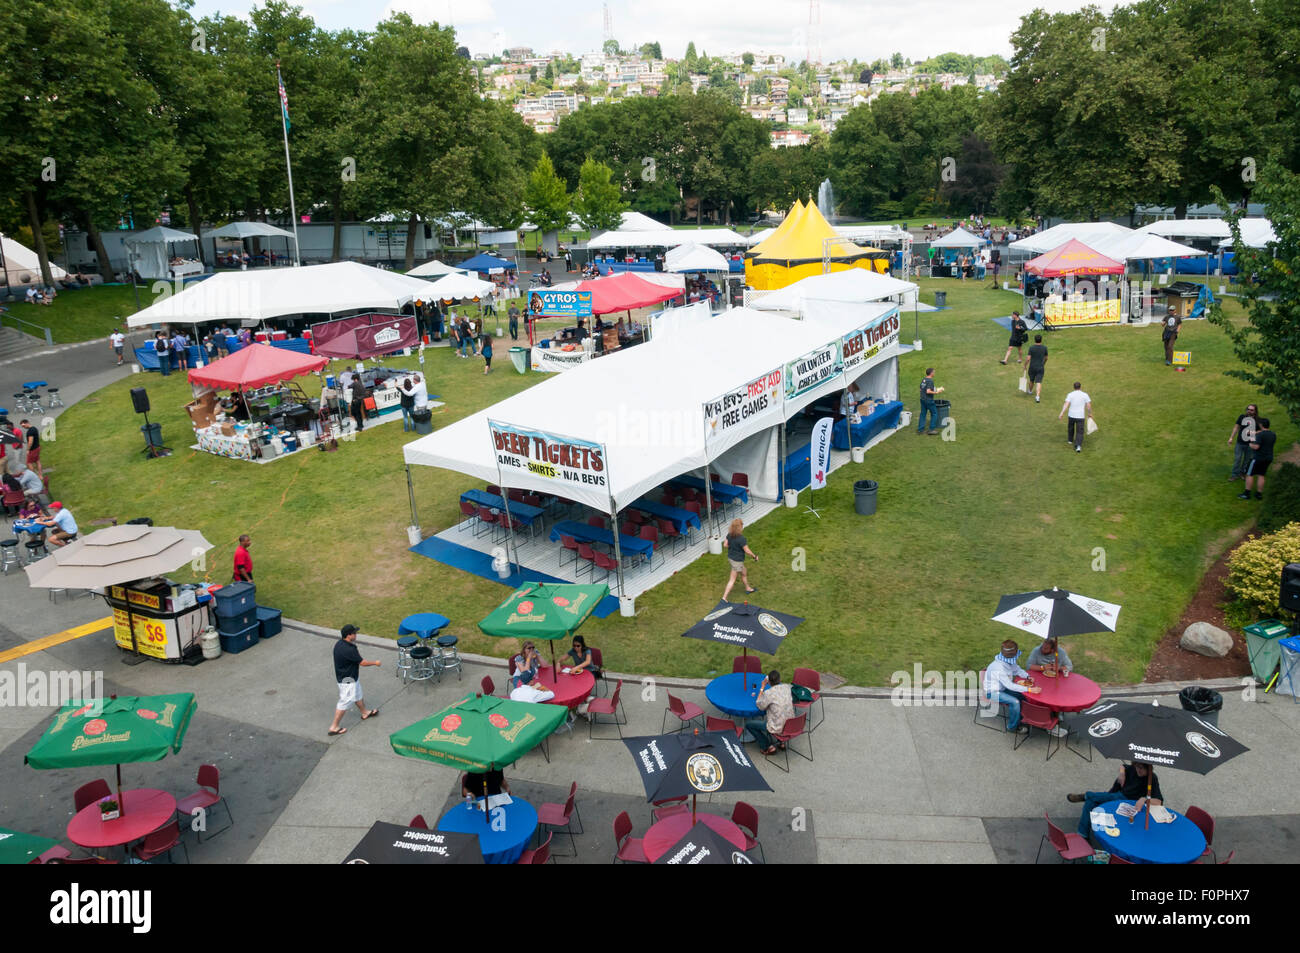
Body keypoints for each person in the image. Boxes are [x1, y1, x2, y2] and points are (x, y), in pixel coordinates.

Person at [1068, 762, 1163, 839]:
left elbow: (1159, 802)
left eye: (1141, 768)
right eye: (1137, 767)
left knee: (1110, 797)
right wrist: (1122, 774)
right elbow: (1123, 766)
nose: (1138, 770)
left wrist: (1144, 799)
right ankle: (1082, 834)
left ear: (1148, 768)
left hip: (1129, 803)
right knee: (1091, 802)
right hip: (1117, 796)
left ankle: (1086, 795)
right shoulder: (1133, 768)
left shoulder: (1152, 778)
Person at [328, 624, 380, 736]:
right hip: (348, 680)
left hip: (346, 677)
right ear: (349, 635)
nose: (356, 634)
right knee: (345, 702)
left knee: (357, 694)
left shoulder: (339, 644)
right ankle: (334, 727)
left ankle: (364, 712)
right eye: (354, 633)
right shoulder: (350, 649)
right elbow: (362, 662)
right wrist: (375, 663)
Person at [982, 639, 1031, 734]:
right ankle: (1012, 727)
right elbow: (1010, 685)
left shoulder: (1008, 661)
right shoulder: (998, 667)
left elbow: (1017, 670)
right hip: (992, 693)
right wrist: (1028, 688)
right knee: (1015, 701)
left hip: (1002, 689)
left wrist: (1027, 676)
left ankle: (1020, 717)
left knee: (1022, 696)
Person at [747, 670, 794, 755]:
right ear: (780, 679)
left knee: (749, 724)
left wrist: (762, 687)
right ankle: (782, 742)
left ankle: (767, 746)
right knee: (782, 714)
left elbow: (759, 705)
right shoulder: (787, 688)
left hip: (777, 727)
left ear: (768, 682)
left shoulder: (768, 693)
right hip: (791, 725)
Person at [722, 517, 758, 601]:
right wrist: (754, 556)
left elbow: (725, 545)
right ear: (740, 527)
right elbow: (747, 551)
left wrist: (732, 546)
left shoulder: (729, 535)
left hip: (731, 558)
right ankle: (724, 598)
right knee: (732, 580)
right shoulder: (741, 539)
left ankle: (747, 588)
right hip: (737, 561)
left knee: (744, 572)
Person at [1239, 417, 1275, 501]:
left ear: (1261, 425)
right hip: (1268, 458)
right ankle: (1259, 494)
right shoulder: (1273, 434)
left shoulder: (1260, 435)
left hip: (1258, 458)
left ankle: (1247, 494)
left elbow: (1256, 447)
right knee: (1261, 475)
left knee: (1249, 474)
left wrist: (1250, 442)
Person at [1058, 381, 1092, 453]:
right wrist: (1089, 413)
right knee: (1080, 431)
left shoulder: (1070, 394)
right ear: (1080, 387)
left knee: (1071, 427)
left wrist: (1061, 413)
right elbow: (1088, 406)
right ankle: (1078, 446)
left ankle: (1070, 440)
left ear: (1074, 387)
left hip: (1071, 415)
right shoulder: (1085, 395)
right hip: (1080, 416)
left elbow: (1066, 404)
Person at [1228, 404, 1258, 482]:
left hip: (1250, 444)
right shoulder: (1242, 417)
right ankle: (1234, 475)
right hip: (1240, 443)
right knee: (1237, 459)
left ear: (1255, 411)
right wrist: (1231, 438)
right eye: (1248, 409)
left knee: (1247, 460)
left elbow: (1262, 430)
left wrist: (1253, 432)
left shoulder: (1257, 420)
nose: (1249, 411)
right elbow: (1236, 427)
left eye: (1251, 410)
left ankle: (1242, 473)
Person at [916, 367, 944, 435]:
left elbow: (921, 389)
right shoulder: (930, 381)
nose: (934, 373)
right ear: (931, 373)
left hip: (922, 399)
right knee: (934, 413)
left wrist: (935, 389)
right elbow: (928, 391)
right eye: (934, 372)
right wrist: (936, 392)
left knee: (923, 414)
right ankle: (931, 430)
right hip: (928, 400)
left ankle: (920, 430)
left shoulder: (924, 380)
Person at [1025, 334, 1048, 403]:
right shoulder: (1044, 348)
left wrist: (1025, 365)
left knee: (1031, 380)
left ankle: (1030, 391)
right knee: (1038, 382)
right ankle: (1037, 397)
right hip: (1040, 367)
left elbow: (1028, 358)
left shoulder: (1031, 348)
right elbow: (1046, 358)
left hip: (1032, 367)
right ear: (1041, 340)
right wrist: (1043, 363)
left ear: (1035, 340)